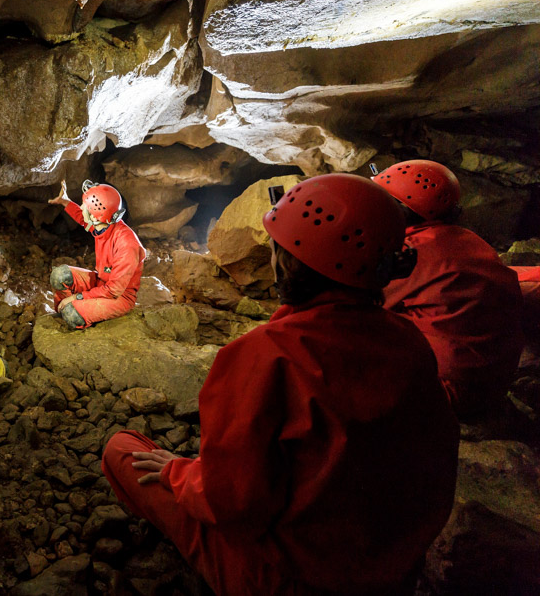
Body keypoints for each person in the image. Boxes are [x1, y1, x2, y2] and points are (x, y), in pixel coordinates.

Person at [102, 174, 459, 595]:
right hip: (389, 573)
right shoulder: (410, 342)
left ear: (285, 262)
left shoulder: (265, 355)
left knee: (122, 450)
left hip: (285, 578)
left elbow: (230, 504)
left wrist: (179, 474)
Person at [372, 159, 524, 421]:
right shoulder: (464, 238)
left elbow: (352, 302)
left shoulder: (409, 253)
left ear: (399, 210)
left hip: (445, 391)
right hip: (491, 385)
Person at [46, 179, 145, 328]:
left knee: (71, 314)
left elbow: (114, 290)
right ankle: (69, 309)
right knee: (59, 275)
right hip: (101, 282)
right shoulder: (103, 223)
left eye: (85, 207)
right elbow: (82, 218)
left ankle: (77, 311)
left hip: (120, 296)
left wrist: (77, 297)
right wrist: (65, 201)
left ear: (95, 216)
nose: (81, 208)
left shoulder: (126, 244)